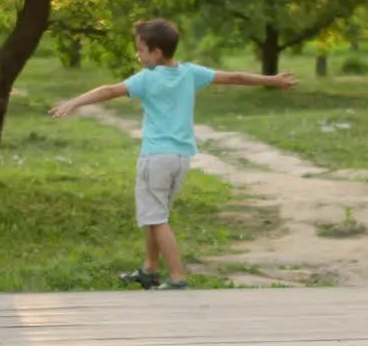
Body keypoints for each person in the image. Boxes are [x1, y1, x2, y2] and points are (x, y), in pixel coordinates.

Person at [49, 18, 297, 290]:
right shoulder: (190, 73)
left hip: (155, 158)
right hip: (181, 159)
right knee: (156, 214)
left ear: (156, 52)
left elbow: (110, 91)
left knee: (156, 219)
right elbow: (234, 77)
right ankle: (150, 269)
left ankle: (177, 276)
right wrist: (272, 80)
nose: (138, 55)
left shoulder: (147, 78)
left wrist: (75, 101)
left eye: (140, 49)